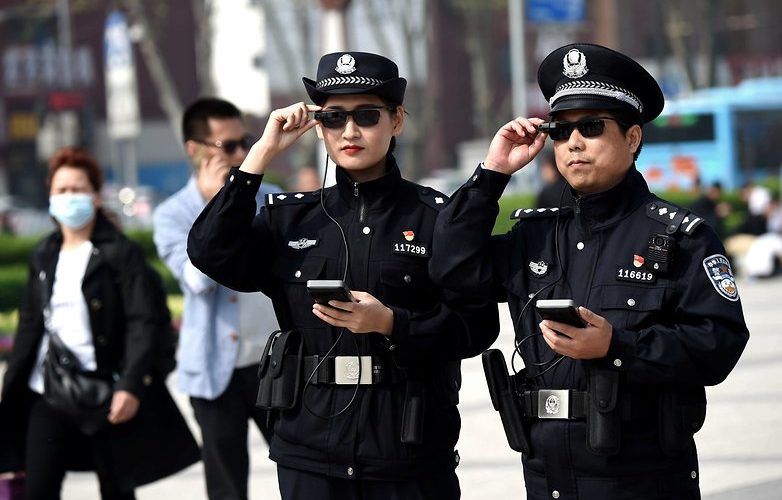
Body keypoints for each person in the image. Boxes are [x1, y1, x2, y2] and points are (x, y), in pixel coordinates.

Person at [430, 43, 749, 500]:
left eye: (592, 127)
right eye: (561, 130)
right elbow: (452, 268)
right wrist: (493, 173)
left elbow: (719, 345)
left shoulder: (680, 236)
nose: (573, 143)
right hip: (548, 479)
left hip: (643, 478)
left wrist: (616, 347)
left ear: (632, 138)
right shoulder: (535, 236)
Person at [187, 51, 498, 499]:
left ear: (396, 120)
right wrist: (260, 155)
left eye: (367, 116)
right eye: (333, 117)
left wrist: (392, 324)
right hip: (311, 452)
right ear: (319, 126)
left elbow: (476, 326)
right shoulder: (290, 220)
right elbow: (209, 251)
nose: (349, 131)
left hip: (407, 449)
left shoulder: (436, 218)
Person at [0, 147, 199, 499]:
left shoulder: (120, 253)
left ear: (95, 196)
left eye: (78, 189)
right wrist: (12, 389)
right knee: (39, 488)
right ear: (50, 195)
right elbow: (30, 325)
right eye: (61, 190)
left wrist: (131, 385)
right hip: (48, 390)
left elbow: (143, 322)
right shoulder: (44, 253)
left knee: (117, 490)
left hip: (108, 393)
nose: (69, 197)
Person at [152, 97, 280, 500]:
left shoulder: (272, 198)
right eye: (229, 146)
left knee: (301, 470)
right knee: (226, 487)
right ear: (195, 150)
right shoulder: (173, 214)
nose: (242, 154)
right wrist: (217, 207)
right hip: (212, 371)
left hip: (275, 364)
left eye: (246, 142)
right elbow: (197, 281)